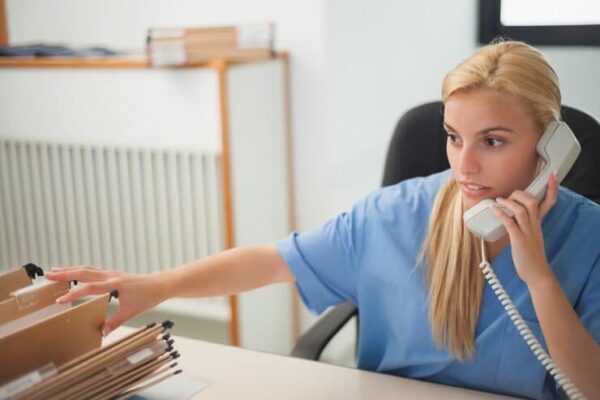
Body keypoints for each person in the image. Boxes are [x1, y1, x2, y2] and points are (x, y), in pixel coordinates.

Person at [46, 41, 599, 399]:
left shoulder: (589, 238)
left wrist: (539, 278)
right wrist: (155, 286)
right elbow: (271, 261)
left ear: (550, 146)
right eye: (453, 137)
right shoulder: (393, 215)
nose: (465, 164)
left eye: (493, 142)